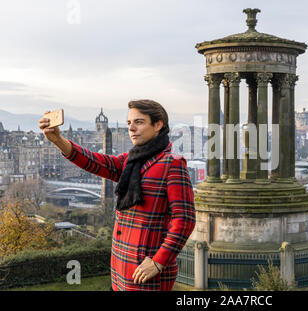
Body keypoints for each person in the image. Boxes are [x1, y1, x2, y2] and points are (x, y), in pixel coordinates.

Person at [39, 100, 196, 291]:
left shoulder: (173, 164)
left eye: (139, 122)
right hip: (121, 269)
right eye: (129, 123)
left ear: (158, 125)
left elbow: (185, 220)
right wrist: (58, 140)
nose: (132, 128)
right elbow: (95, 162)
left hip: (146, 272)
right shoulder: (131, 160)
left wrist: (158, 261)